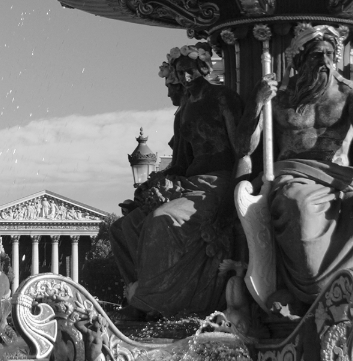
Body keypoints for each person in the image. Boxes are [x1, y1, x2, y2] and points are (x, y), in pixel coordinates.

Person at [110, 43, 262, 317]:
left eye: (190, 71)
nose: (185, 78)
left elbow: (241, 149)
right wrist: (151, 185)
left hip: (219, 183)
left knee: (160, 221)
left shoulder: (222, 98)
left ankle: (153, 303)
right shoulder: (185, 112)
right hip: (191, 182)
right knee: (124, 227)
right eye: (181, 73)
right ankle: (138, 292)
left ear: (203, 69)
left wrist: (232, 201)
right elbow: (180, 162)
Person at [266, 24, 353, 307]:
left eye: (330, 54)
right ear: (298, 60)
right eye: (316, 55)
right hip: (293, 174)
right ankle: (313, 292)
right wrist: (260, 102)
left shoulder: (351, 92)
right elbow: (250, 144)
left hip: (337, 175)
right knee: (300, 208)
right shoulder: (280, 96)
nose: (325, 62)